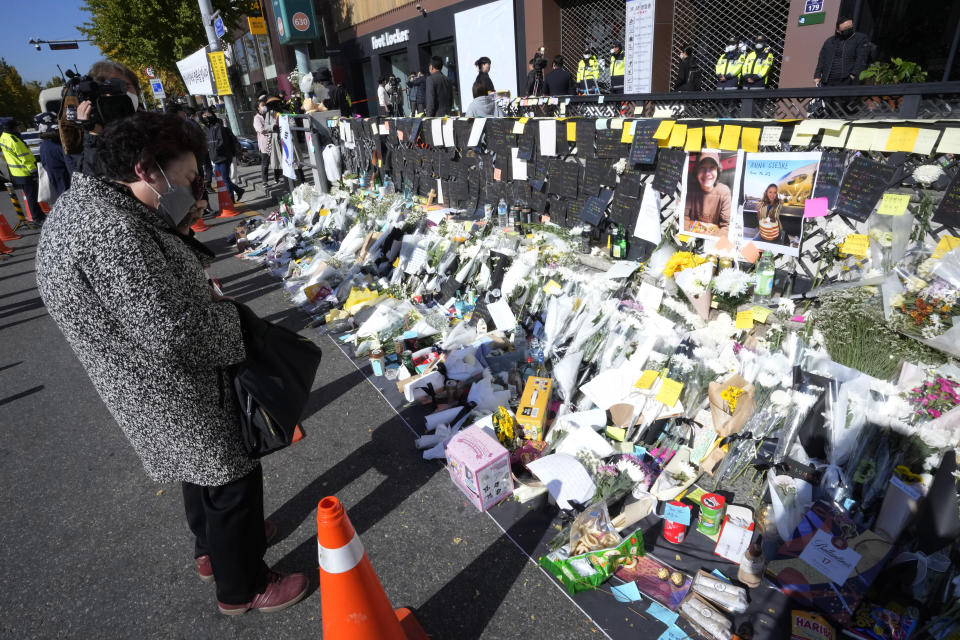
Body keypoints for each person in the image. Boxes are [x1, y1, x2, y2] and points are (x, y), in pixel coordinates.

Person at [35, 111, 308, 615]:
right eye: (186, 178)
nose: (193, 188)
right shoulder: (111, 232)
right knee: (231, 477)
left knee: (199, 468)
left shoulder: (89, 206)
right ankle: (243, 585)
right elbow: (173, 335)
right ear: (147, 170)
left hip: (143, 379)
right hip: (169, 382)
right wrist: (239, 324)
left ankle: (213, 550)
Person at [77, 60, 143, 176]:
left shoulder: (154, 124)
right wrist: (94, 135)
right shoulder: (93, 132)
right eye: (111, 87)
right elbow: (93, 180)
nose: (122, 93)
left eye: (125, 86)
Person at [0, 117, 43, 223]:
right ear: (12, 128)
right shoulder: (15, 140)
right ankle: (37, 217)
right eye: (17, 126)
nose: (19, 128)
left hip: (17, 172)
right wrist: (33, 170)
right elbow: (25, 157)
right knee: (32, 196)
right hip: (25, 172)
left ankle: (38, 215)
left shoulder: (4, 137)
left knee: (30, 195)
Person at [814, 16, 870, 86]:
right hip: (827, 81)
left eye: (850, 26)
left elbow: (861, 58)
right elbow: (822, 58)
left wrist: (853, 75)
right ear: (838, 30)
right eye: (846, 28)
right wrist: (817, 75)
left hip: (846, 81)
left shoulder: (860, 38)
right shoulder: (830, 41)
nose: (849, 29)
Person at [684, 151, 731, 235]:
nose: (707, 173)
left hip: (714, 242)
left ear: (718, 171)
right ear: (696, 171)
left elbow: (727, 227)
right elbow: (684, 219)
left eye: (712, 168)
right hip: (692, 238)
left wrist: (708, 235)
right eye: (702, 168)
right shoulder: (690, 189)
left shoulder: (724, 192)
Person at [202, 110, 244, 203]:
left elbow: (222, 143)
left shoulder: (219, 128)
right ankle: (238, 190)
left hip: (223, 157)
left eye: (207, 115)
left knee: (224, 179)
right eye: (204, 115)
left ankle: (231, 200)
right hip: (216, 158)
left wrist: (216, 151)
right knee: (219, 179)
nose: (206, 117)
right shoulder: (209, 129)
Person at [35, 112, 71, 204]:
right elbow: (72, 168)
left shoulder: (44, 146)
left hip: (61, 192)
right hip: (69, 191)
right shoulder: (58, 145)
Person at [253, 100, 274, 188]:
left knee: (275, 159)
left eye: (264, 105)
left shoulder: (269, 114)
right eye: (262, 105)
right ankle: (265, 181)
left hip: (273, 140)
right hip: (264, 142)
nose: (264, 106)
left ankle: (277, 177)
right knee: (265, 163)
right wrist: (272, 127)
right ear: (258, 108)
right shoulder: (257, 118)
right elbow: (261, 129)